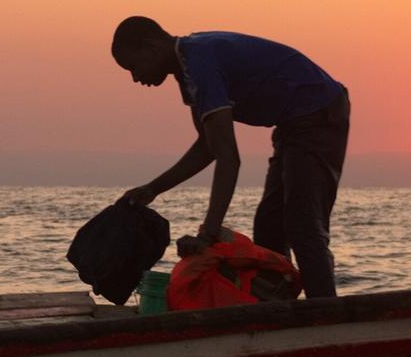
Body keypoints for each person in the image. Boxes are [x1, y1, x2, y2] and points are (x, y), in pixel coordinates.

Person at [112, 17, 350, 298]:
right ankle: (278, 307)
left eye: (134, 67)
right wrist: (152, 189)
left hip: (319, 114)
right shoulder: (188, 72)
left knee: (303, 225)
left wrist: (208, 233)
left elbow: (229, 158)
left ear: (151, 47)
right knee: (269, 226)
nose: (136, 78)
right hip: (291, 126)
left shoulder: (200, 63)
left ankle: (324, 311)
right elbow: (209, 146)